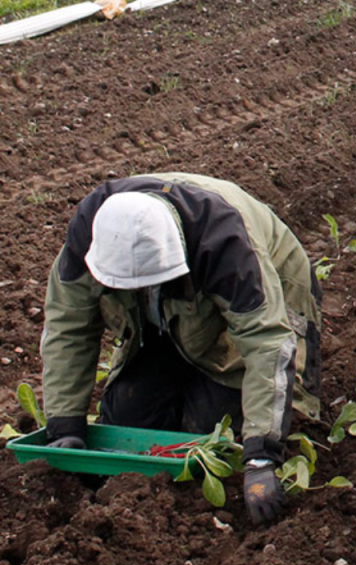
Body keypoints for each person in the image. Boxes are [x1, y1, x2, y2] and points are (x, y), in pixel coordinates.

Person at [39, 173, 323, 524]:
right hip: (167, 308)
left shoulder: (224, 245)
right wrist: (65, 427)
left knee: (214, 440)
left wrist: (261, 457)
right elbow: (68, 328)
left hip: (269, 282)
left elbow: (267, 342)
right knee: (130, 421)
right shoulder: (90, 236)